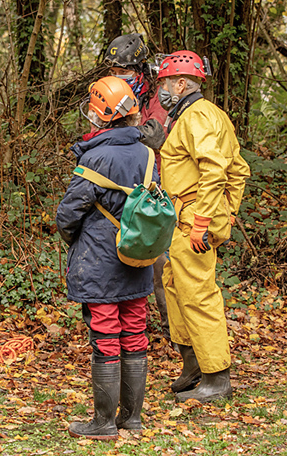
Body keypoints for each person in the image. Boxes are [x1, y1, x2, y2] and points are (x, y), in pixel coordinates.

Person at [56, 76, 158, 440]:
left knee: (105, 336)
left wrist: (75, 240)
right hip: (137, 256)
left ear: (99, 114)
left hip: (99, 260)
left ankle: (102, 423)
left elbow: (68, 213)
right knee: (134, 334)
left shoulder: (96, 156)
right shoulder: (146, 153)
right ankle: (131, 418)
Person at [157, 51, 250, 402]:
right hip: (185, 216)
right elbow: (239, 169)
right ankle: (192, 365)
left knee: (198, 294)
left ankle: (217, 379)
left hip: (193, 219)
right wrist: (227, 213)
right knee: (175, 287)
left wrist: (204, 220)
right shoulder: (199, 115)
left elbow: (217, 170)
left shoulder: (198, 116)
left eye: (165, 83)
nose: (162, 90)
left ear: (181, 83)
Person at [105, 33, 170, 341]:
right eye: (115, 71)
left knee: (160, 266)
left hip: (153, 190)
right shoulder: (111, 94)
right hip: (119, 187)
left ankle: (175, 333)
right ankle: (127, 329)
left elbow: (155, 135)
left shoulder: (156, 97)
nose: (119, 77)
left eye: (125, 71)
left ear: (139, 69)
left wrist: (121, 130)